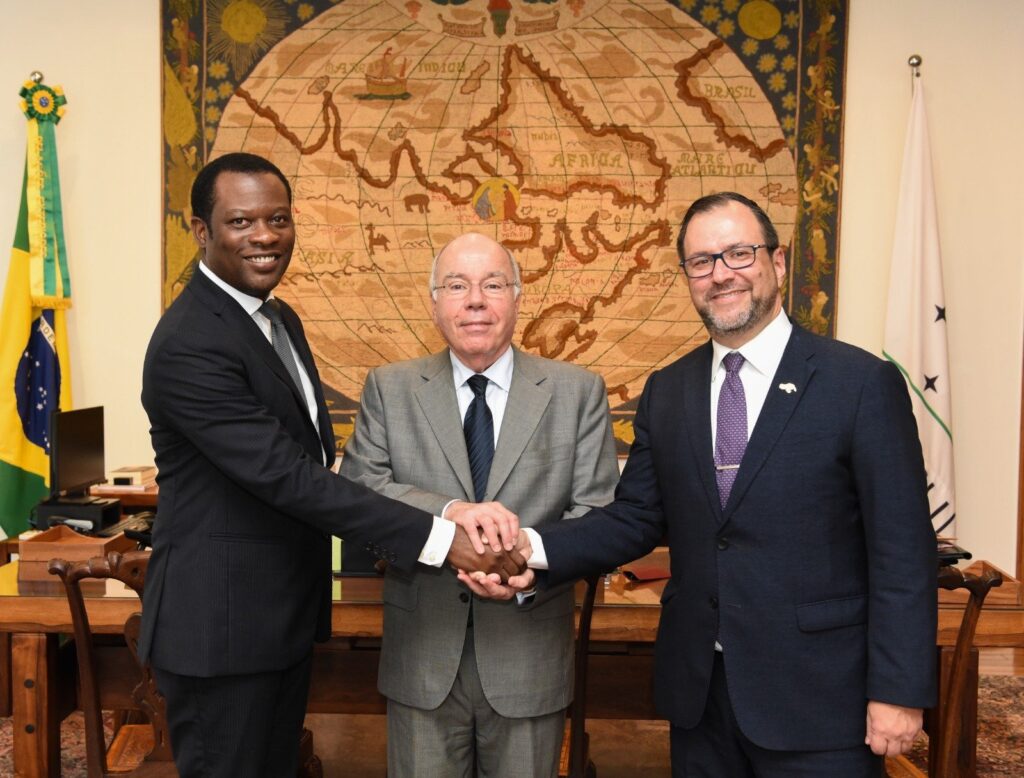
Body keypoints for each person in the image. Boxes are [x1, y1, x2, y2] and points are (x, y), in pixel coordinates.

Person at [466, 192, 937, 776]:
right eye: (702, 261)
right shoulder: (669, 390)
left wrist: (898, 689)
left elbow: (902, 552)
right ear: (687, 276)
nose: (721, 274)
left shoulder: (859, 383)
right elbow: (635, 516)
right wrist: (527, 552)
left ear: (779, 262)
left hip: (820, 700)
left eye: (739, 254)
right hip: (701, 700)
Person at [138, 153, 522, 777]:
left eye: (278, 219)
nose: (265, 237)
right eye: (241, 222)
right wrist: (441, 538)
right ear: (201, 231)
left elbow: (313, 457)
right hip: (222, 631)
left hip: (273, 622)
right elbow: (289, 477)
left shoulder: (274, 318)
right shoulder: (191, 343)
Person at [340, 231, 619, 777]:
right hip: (422, 655)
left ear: (517, 298)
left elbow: (599, 514)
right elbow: (359, 489)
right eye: (457, 285)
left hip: (529, 652)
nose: (474, 300)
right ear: (434, 302)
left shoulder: (577, 391)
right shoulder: (389, 388)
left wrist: (529, 571)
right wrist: (452, 514)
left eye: (492, 284)